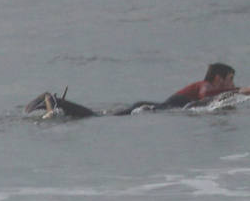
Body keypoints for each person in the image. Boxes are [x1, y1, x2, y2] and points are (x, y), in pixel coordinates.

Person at [26, 63, 250, 119]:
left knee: (96, 118)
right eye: (230, 80)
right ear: (218, 77)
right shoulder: (207, 85)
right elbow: (205, 98)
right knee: (96, 118)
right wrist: (240, 91)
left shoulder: (209, 88)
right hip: (147, 109)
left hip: (151, 108)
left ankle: (57, 104)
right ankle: (54, 101)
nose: (232, 85)